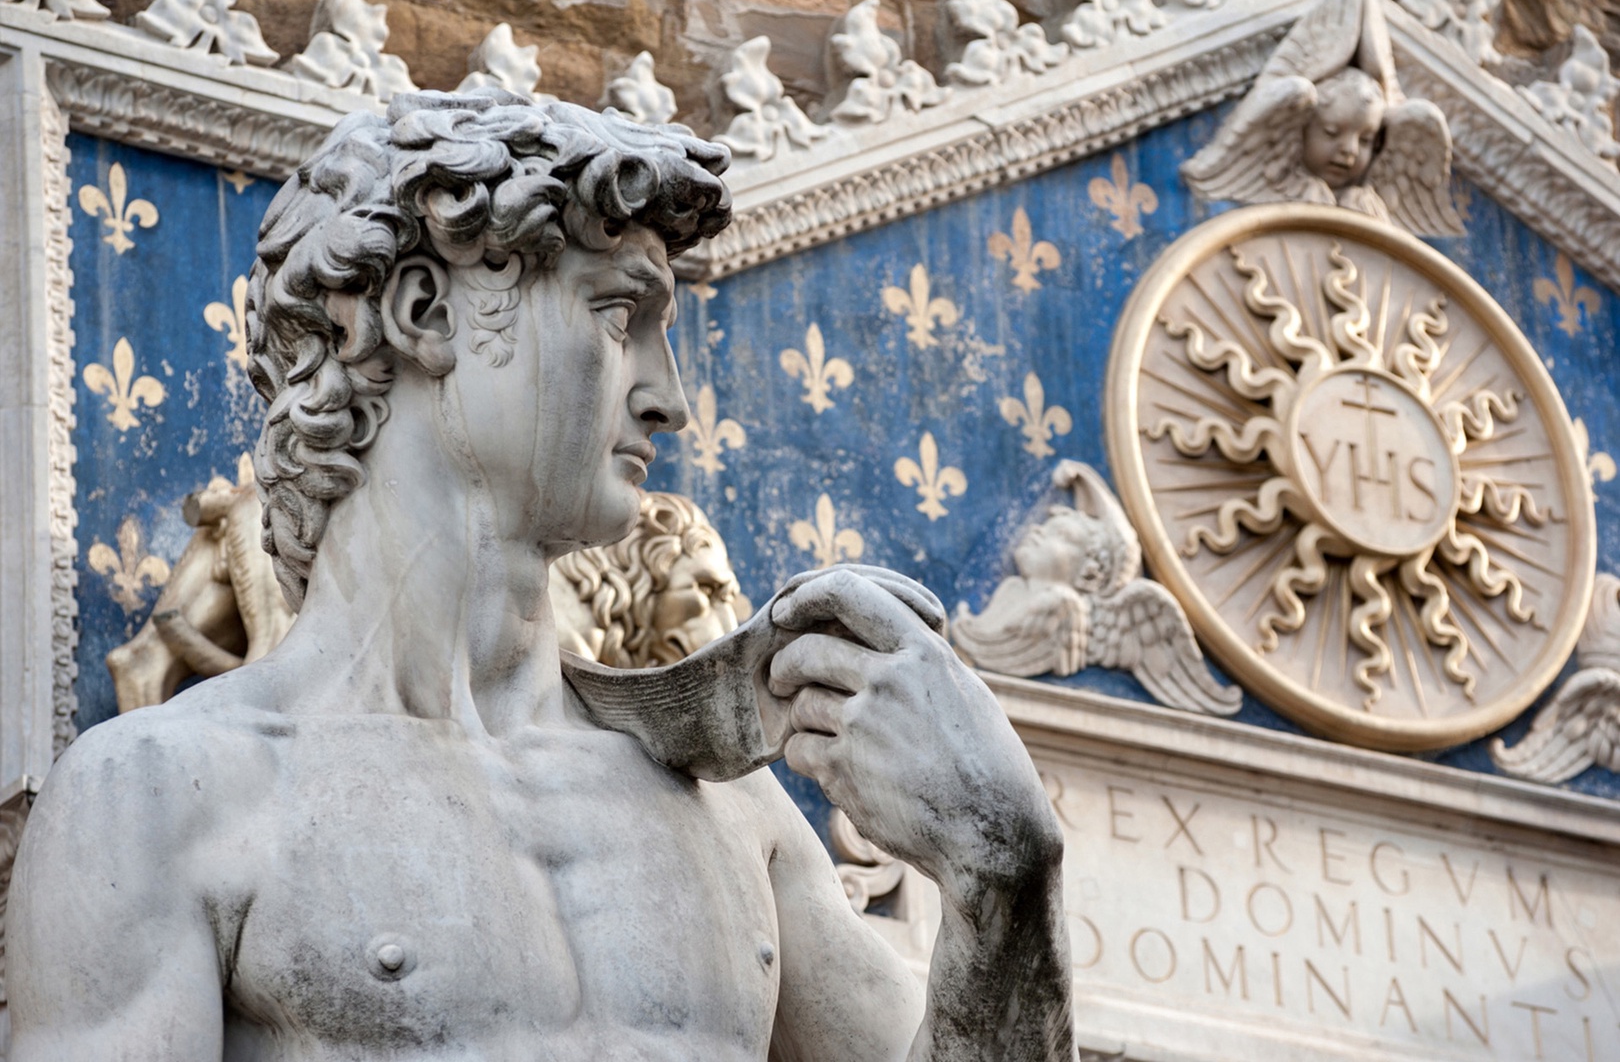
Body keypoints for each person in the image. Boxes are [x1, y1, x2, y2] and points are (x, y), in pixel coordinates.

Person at [10, 91, 1074, 1060]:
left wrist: (1003, 882)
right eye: (622, 318)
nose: (671, 400)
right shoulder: (163, 797)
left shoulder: (733, 817)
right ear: (425, 314)